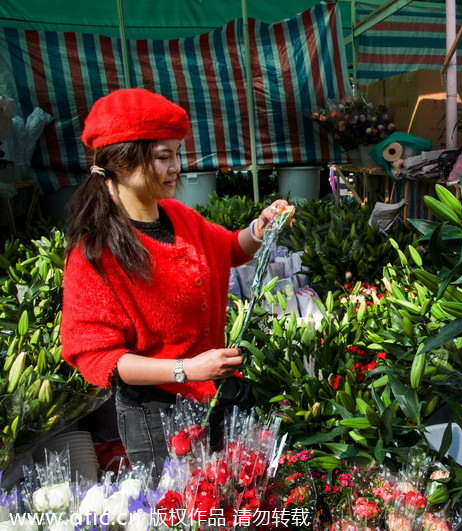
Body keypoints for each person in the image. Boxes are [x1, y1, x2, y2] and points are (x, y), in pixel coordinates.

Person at [60, 88, 292, 472]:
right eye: (162, 157)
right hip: (157, 412)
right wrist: (186, 369)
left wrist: (261, 226)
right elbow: (101, 359)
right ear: (119, 162)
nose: (176, 168)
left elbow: (230, 248)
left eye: (177, 155)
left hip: (212, 393)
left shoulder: (178, 216)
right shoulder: (96, 253)